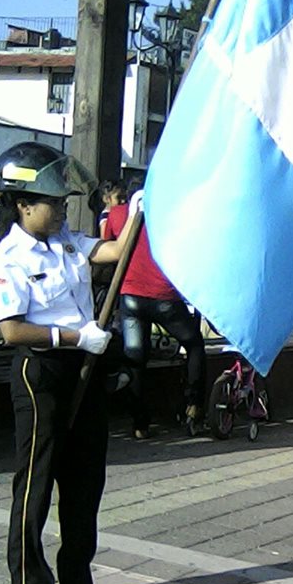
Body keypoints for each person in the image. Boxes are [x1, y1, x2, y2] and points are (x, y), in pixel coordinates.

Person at [0, 142, 136, 584]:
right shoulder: (6, 260)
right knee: (37, 481)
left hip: (84, 368)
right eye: (53, 202)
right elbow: (12, 331)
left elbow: (111, 251)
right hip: (42, 371)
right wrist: (73, 336)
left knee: (86, 479)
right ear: (24, 204)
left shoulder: (67, 240)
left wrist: (135, 216)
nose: (62, 208)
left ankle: (77, 580)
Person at [101, 180, 207, 439]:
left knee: (135, 356)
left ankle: (140, 424)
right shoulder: (171, 213)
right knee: (193, 344)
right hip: (163, 296)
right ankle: (193, 405)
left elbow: (108, 243)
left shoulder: (117, 214)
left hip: (130, 296)